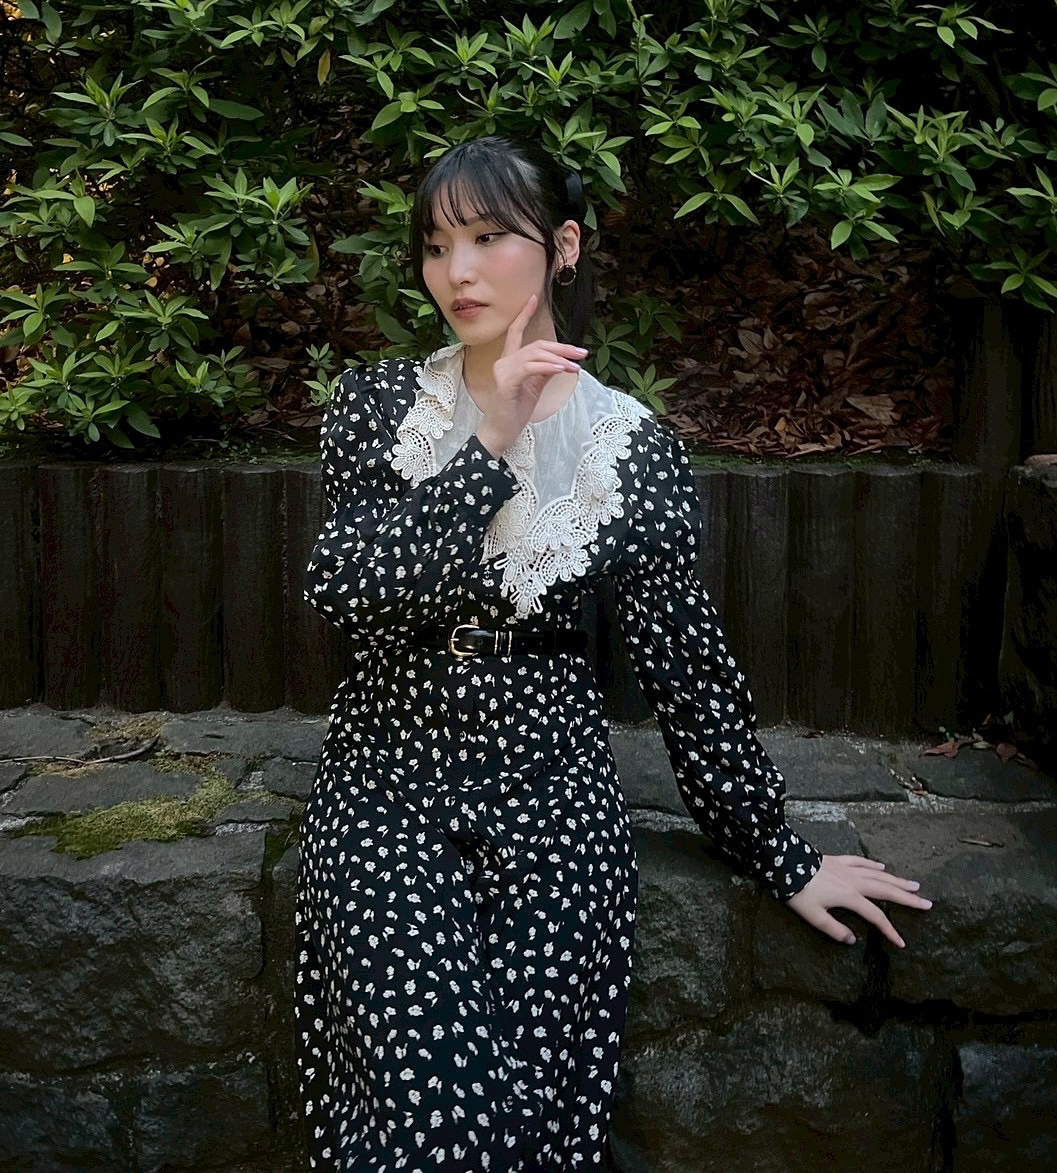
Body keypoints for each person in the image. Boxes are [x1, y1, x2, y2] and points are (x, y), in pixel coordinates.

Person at [294, 134, 932, 1172]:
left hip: (556, 797)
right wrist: (489, 442)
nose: (457, 271)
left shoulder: (629, 447)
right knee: (432, 1115)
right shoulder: (378, 406)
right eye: (436, 245)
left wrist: (780, 852)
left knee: (531, 1127)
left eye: (488, 237)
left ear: (564, 245)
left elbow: (688, 668)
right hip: (387, 783)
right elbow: (344, 585)